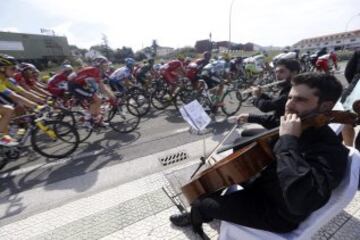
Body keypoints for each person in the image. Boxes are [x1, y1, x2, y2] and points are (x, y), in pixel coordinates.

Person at [169, 72, 348, 239]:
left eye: (300, 99)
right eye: (290, 97)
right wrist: (251, 119)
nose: (289, 105)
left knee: (202, 202)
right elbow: (274, 122)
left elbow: (299, 201)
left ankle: (196, 221)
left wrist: (288, 140)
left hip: (275, 211)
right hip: (265, 185)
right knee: (244, 142)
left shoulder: (332, 152)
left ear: (325, 106)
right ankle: (213, 208)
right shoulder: (299, 122)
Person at [237, 58, 301, 130]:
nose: (277, 75)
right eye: (276, 72)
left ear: (294, 73)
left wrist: (256, 97)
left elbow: (267, 107)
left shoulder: (294, 91)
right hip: (280, 125)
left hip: (283, 130)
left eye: (281, 72)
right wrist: (261, 95)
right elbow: (276, 103)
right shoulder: (291, 87)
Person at [68, 56, 116, 126]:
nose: (107, 67)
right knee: (95, 99)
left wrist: (110, 93)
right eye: (105, 65)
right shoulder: (95, 71)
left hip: (80, 84)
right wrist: (112, 96)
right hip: (74, 85)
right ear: (99, 65)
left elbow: (100, 86)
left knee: (98, 99)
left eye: (107, 65)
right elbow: (102, 88)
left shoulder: (95, 70)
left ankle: (97, 120)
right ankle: (88, 121)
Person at [341, 50, 360, 147]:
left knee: (347, 120)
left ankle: (349, 148)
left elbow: (348, 72)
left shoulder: (358, 52)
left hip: (355, 89)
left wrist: (354, 84)